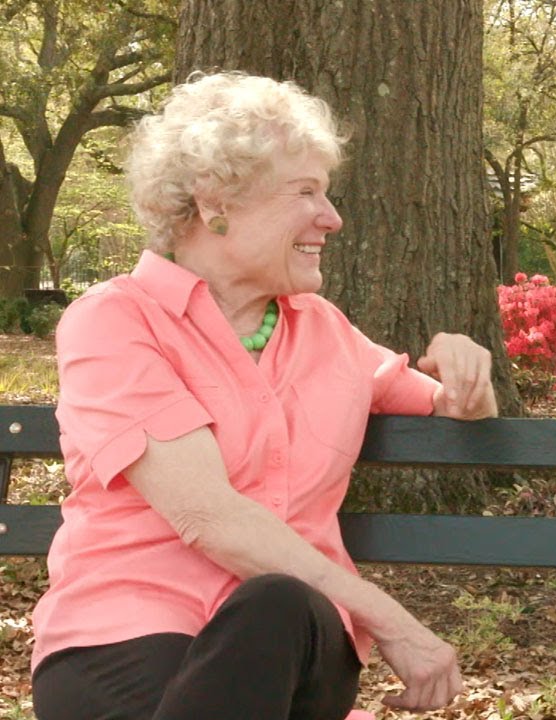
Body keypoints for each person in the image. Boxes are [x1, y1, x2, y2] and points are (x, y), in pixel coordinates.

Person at [30, 72, 498, 720]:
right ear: (216, 198)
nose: (331, 218)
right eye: (306, 191)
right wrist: (394, 624)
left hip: (297, 649)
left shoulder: (328, 333)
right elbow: (209, 516)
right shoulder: (114, 321)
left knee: (278, 601)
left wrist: (465, 365)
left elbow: (456, 404)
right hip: (127, 629)